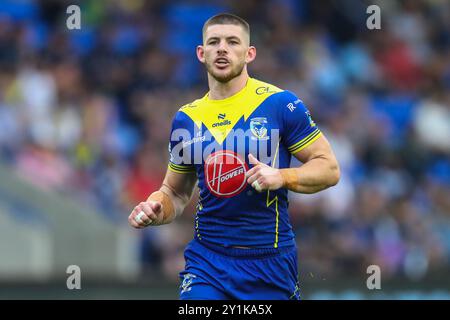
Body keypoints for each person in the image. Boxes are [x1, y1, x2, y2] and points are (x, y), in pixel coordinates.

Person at [128, 13, 340, 300]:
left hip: (269, 262)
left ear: (249, 53)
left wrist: (281, 176)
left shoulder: (281, 104)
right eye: (214, 42)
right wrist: (156, 207)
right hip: (208, 262)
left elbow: (328, 168)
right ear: (201, 54)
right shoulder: (186, 119)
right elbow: (175, 193)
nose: (222, 49)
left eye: (232, 42)